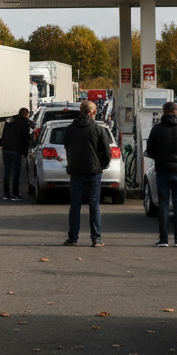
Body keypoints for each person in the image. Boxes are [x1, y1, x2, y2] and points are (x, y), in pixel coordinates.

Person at [145, 100, 177, 247]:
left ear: (164, 112)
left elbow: (150, 149)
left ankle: (163, 239)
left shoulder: (157, 129)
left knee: (163, 204)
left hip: (162, 170)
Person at [61, 100, 110, 247]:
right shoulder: (98, 129)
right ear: (93, 112)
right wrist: (102, 164)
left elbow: (67, 147)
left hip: (76, 170)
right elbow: (106, 151)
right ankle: (96, 238)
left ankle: (73, 238)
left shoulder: (70, 129)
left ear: (80, 111)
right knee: (94, 205)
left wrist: (71, 163)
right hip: (93, 171)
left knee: (75, 205)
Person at [0, 108, 31, 201]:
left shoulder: (10, 122)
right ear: (26, 114)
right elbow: (25, 139)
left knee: (7, 172)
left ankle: (6, 194)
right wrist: (25, 152)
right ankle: (15, 194)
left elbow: (3, 135)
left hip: (6, 149)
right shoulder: (24, 124)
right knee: (15, 173)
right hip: (16, 150)